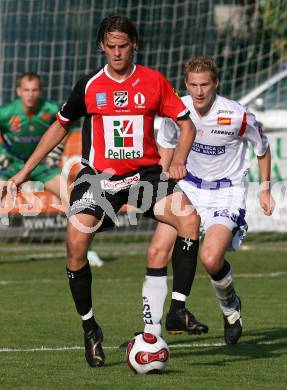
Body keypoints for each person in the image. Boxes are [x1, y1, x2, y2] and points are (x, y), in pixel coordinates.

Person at [6, 15, 202, 368]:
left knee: (189, 219)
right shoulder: (89, 85)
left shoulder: (154, 82)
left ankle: (177, 310)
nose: (116, 52)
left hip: (144, 175)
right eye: (110, 46)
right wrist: (23, 172)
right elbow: (59, 128)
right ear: (101, 46)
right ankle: (90, 328)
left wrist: (179, 160)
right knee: (75, 243)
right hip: (98, 178)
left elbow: (185, 124)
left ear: (134, 44)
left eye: (123, 46)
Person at [142, 56, 275, 345]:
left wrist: (265, 189)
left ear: (216, 83)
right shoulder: (177, 111)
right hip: (187, 188)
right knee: (156, 252)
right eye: (193, 85)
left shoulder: (237, 115)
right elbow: (165, 147)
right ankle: (151, 332)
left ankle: (230, 309)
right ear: (186, 84)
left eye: (204, 85)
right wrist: (159, 184)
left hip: (224, 193)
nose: (199, 92)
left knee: (211, 258)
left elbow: (262, 148)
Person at [0, 72, 104, 267]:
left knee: (76, 201)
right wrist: (1, 155)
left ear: (40, 91)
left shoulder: (50, 109)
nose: (31, 94)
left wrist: (57, 149)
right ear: (18, 92)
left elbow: (67, 124)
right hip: (12, 165)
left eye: (35, 90)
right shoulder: (6, 112)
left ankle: (86, 251)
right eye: (26, 90)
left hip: (41, 166)